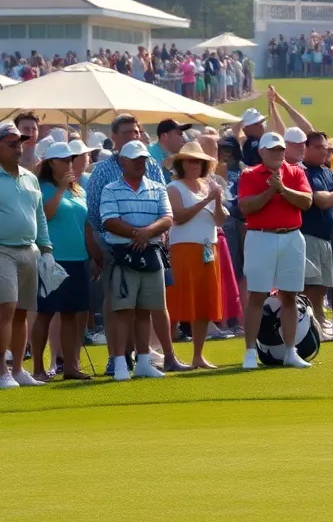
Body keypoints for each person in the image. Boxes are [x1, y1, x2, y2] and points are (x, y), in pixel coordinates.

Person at [237, 131, 314, 369]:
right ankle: (250, 352)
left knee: (289, 295)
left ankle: (290, 351)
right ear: (262, 152)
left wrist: (282, 189)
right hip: (261, 237)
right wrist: (270, 191)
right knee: (257, 295)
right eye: (272, 150)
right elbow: (247, 207)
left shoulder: (296, 172)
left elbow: (306, 201)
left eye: (280, 150)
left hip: (291, 236)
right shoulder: (250, 174)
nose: (277, 154)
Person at [99, 141, 173, 382]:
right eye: (135, 159)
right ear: (123, 162)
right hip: (124, 254)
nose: (141, 163)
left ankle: (143, 362)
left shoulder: (157, 188)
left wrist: (146, 233)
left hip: (151, 253)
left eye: (143, 159)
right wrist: (137, 234)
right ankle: (120, 363)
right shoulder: (111, 189)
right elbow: (109, 220)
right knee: (123, 311)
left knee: (145, 311)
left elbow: (167, 218)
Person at [32, 141, 94, 381]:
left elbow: (85, 225)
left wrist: (93, 254)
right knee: (46, 312)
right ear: (52, 163)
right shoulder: (42, 187)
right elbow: (47, 215)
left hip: (78, 258)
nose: (70, 163)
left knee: (70, 313)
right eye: (65, 160)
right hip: (52, 259)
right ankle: (38, 368)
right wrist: (59, 189)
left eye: (71, 159)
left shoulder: (78, 190)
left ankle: (70, 366)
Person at [0, 122, 53, 389]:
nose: (18, 148)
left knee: (22, 312)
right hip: (2, 250)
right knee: (6, 309)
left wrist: (47, 248)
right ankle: (2, 371)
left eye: (19, 143)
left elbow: (39, 215)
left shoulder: (30, 177)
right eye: (11, 144)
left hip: (29, 250)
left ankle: (19, 369)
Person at [165, 141, 226, 369]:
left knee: (203, 304)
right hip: (183, 249)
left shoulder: (208, 185)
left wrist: (216, 200)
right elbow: (179, 217)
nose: (194, 165)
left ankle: (197, 355)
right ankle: (168, 354)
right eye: (190, 161)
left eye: (199, 161)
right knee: (176, 303)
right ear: (181, 164)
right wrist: (207, 200)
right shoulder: (174, 187)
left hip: (208, 248)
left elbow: (220, 220)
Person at [299, 131, 333, 339]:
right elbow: (321, 200)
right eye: (318, 147)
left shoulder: (327, 172)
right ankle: (313, 326)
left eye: (325, 148)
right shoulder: (304, 171)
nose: (323, 151)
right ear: (306, 148)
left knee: (322, 285)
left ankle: (320, 323)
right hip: (308, 234)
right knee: (312, 285)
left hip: (327, 236)